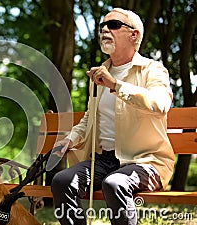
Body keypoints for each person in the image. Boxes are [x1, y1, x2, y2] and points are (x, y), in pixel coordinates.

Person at [51, 8, 174, 225]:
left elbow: (160, 104)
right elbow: (90, 118)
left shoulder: (152, 70)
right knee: (62, 181)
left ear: (133, 34)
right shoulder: (99, 75)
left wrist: (116, 85)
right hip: (104, 159)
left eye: (114, 25)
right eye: (102, 26)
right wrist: (70, 139)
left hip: (146, 161)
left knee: (115, 183)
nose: (105, 30)